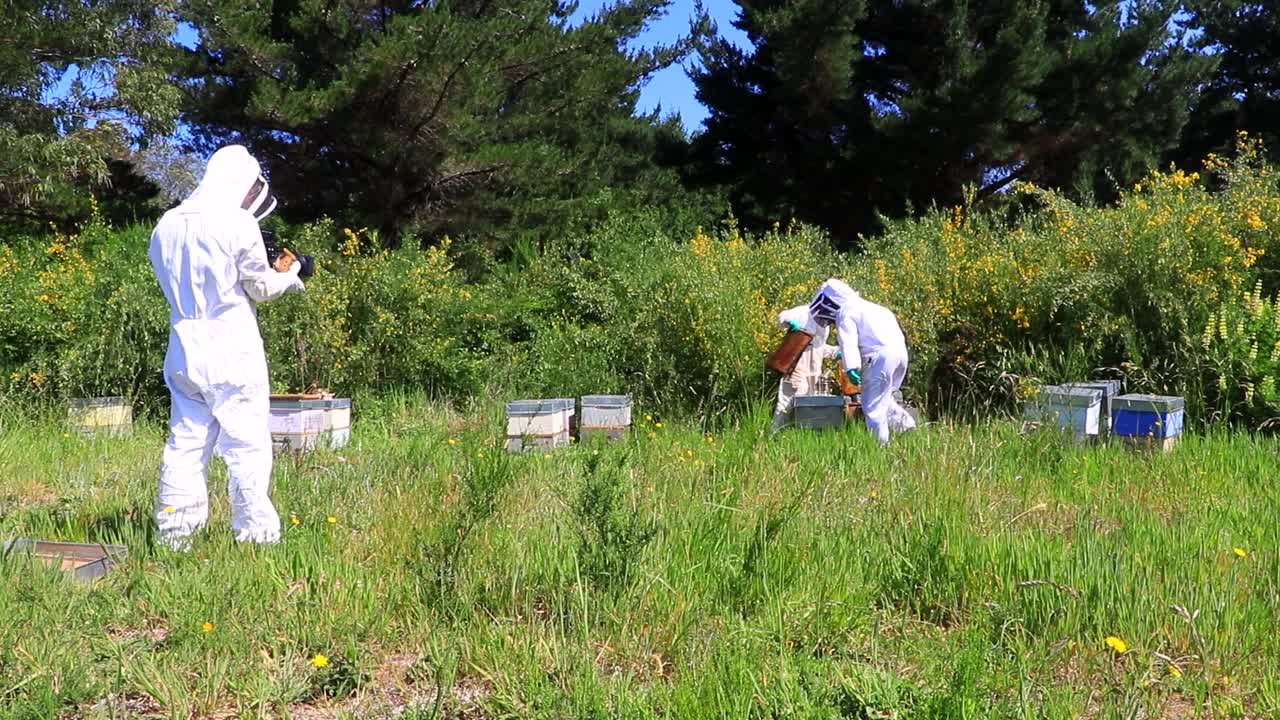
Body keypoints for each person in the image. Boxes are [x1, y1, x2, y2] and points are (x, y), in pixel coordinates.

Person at [148, 145, 305, 550]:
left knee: (185, 443)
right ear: (244, 183)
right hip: (233, 348)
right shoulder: (237, 222)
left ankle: (176, 537)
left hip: (183, 348)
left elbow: (169, 283)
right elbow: (262, 287)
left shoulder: (165, 224)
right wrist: (295, 272)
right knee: (246, 444)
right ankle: (255, 538)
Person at [808, 278, 916, 446]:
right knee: (884, 397)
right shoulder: (876, 308)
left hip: (880, 358)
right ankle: (907, 427)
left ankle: (880, 448)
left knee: (872, 407)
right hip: (901, 355)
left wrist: (851, 367)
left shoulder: (846, 312)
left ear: (831, 300)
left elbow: (848, 342)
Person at [771, 305, 841, 432]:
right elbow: (782, 317)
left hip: (814, 369)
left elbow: (818, 347)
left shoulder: (825, 325)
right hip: (796, 365)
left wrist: (835, 352)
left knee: (808, 404)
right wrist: (790, 324)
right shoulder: (804, 312)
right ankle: (774, 434)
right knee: (787, 404)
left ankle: (800, 435)